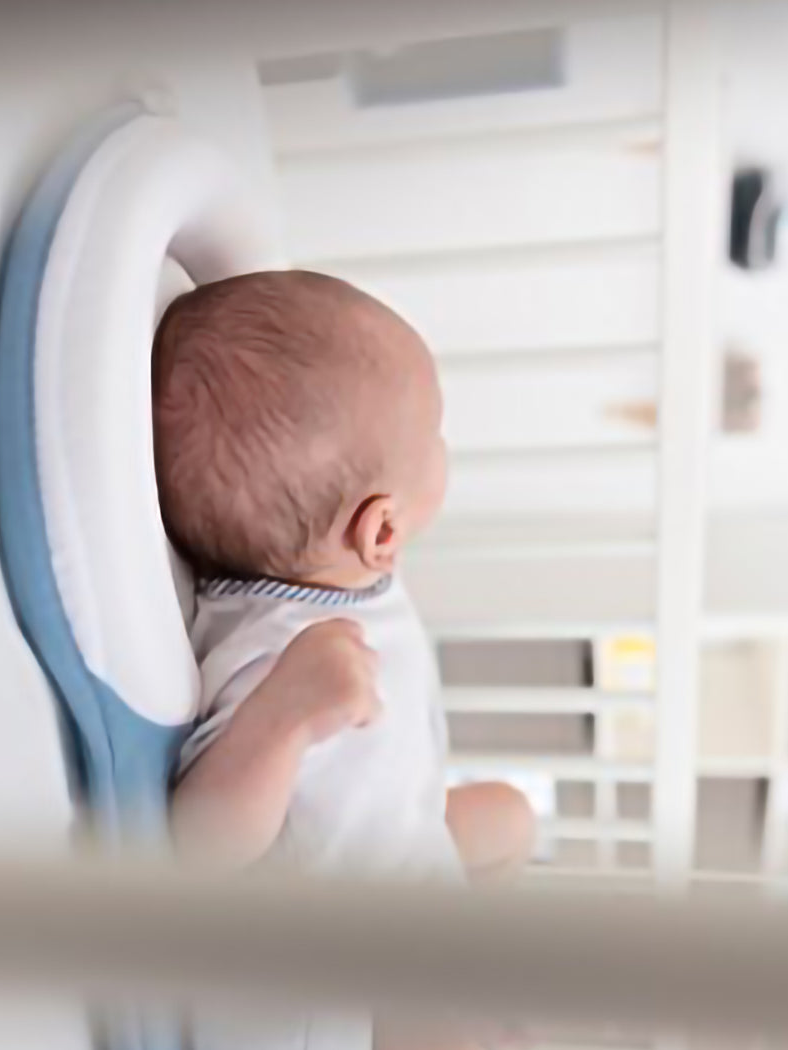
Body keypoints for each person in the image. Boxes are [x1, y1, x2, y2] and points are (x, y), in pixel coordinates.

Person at [153, 270, 533, 1048]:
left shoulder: (339, 574)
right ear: (380, 529)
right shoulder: (270, 653)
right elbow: (201, 846)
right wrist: (286, 717)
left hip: (399, 855)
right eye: (434, 433)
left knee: (511, 817)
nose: (443, 445)